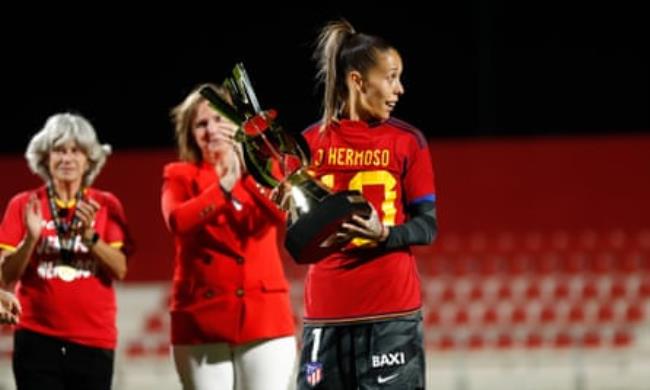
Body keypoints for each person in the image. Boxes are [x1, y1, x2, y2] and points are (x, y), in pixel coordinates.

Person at [296, 20, 437, 390]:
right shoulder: (310, 143)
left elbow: (428, 226)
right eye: (391, 77)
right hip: (325, 314)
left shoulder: (408, 141)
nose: (399, 89)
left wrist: (385, 233)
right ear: (358, 81)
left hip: (392, 314)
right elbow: (298, 236)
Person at [161, 83, 297, 390]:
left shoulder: (264, 171)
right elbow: (178, 220)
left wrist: (249, 173)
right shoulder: (179, 175)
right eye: (201, 124)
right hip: (201, 320)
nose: (212, 130)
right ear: (190, 133)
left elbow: (284, 215)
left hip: (265, 317)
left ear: (238, 125)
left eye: (220, 119)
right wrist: (225, 184)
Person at [0, 112, 131, 389]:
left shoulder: (106, 204)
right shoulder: (24, 203)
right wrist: (30, 239)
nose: (67, 158)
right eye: (59, 150)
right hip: (36, 337)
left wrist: (89, 237)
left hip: (94, 340)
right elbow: (4, 276)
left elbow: (119, 269)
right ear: (46, 157)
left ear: (89, 159)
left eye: (76, 151)